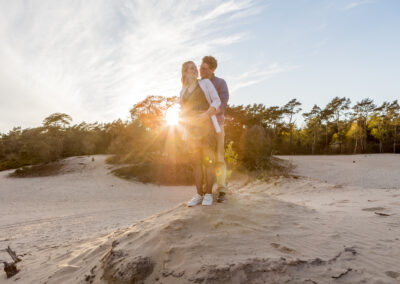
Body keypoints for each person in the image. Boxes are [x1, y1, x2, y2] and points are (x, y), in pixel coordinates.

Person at [180, 61, 221, 206]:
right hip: (192, 131)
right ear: (185, 72)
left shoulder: (205, 84)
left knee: (208, 162)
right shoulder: (183, 91)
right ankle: (199, 194)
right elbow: (183, 112)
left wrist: (206, 115)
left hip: (207, 128)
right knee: (196, 163)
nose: (195, 69)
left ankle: (208, 194)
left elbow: (217, 101)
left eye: (195, 67)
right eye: (191, 68)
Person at [200, 56, 229, 203]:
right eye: (201, 67)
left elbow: (222, 104)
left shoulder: (220, 83)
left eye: (204, 68)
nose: (201, 70)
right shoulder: (198, 84)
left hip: (217, 125)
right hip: (202, 128)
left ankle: (222, 190)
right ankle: (207, 191)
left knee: (218, 158)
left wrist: (209, 112)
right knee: (205, 159)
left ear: (212, 70)